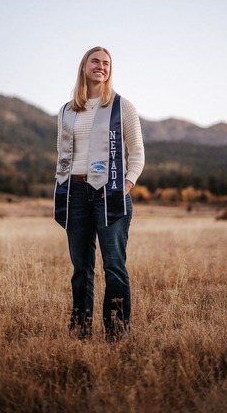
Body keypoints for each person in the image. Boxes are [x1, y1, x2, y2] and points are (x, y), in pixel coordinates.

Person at [54, 46, 145, 341]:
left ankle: (117, 333)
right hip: (76, 194)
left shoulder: (122, 107)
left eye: (106, 63)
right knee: (81, 268)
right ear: (84, 66)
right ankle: (80, 331)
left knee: (114, 266)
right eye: (95, 61)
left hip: (111, 193)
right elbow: (62, 153)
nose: (101, 66)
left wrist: (126, 184)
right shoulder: (67, 111)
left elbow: (138, 152)